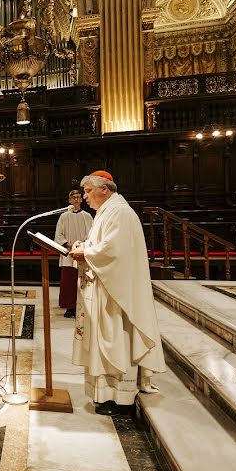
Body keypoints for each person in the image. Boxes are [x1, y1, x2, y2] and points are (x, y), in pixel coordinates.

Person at [69, 171, 166, 416]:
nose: (85, 197)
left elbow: (114, 252)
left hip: (115, 294)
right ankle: (105, 395)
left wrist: (86, 253)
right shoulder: (107, 212)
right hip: (105, 288)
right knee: (104, 341)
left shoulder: (120, 212)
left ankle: (120, 397)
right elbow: (101, 245)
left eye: (89, 191)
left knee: (115, 340)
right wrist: (85, 246)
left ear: (105, 189)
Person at [55, 190, 93, 318]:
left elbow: (92, 234)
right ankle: (70, 307)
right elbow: (59, 234)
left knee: (82, 280)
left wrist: (82, 245)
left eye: (78, 197)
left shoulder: (87, 216)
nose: (76, 200)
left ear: (81, 200)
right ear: (69, 201)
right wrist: (68, 244)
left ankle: (83, 306)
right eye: (73, 198)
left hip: (83, 251)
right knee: (69, 281)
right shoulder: (64, 216)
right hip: (68, 252)